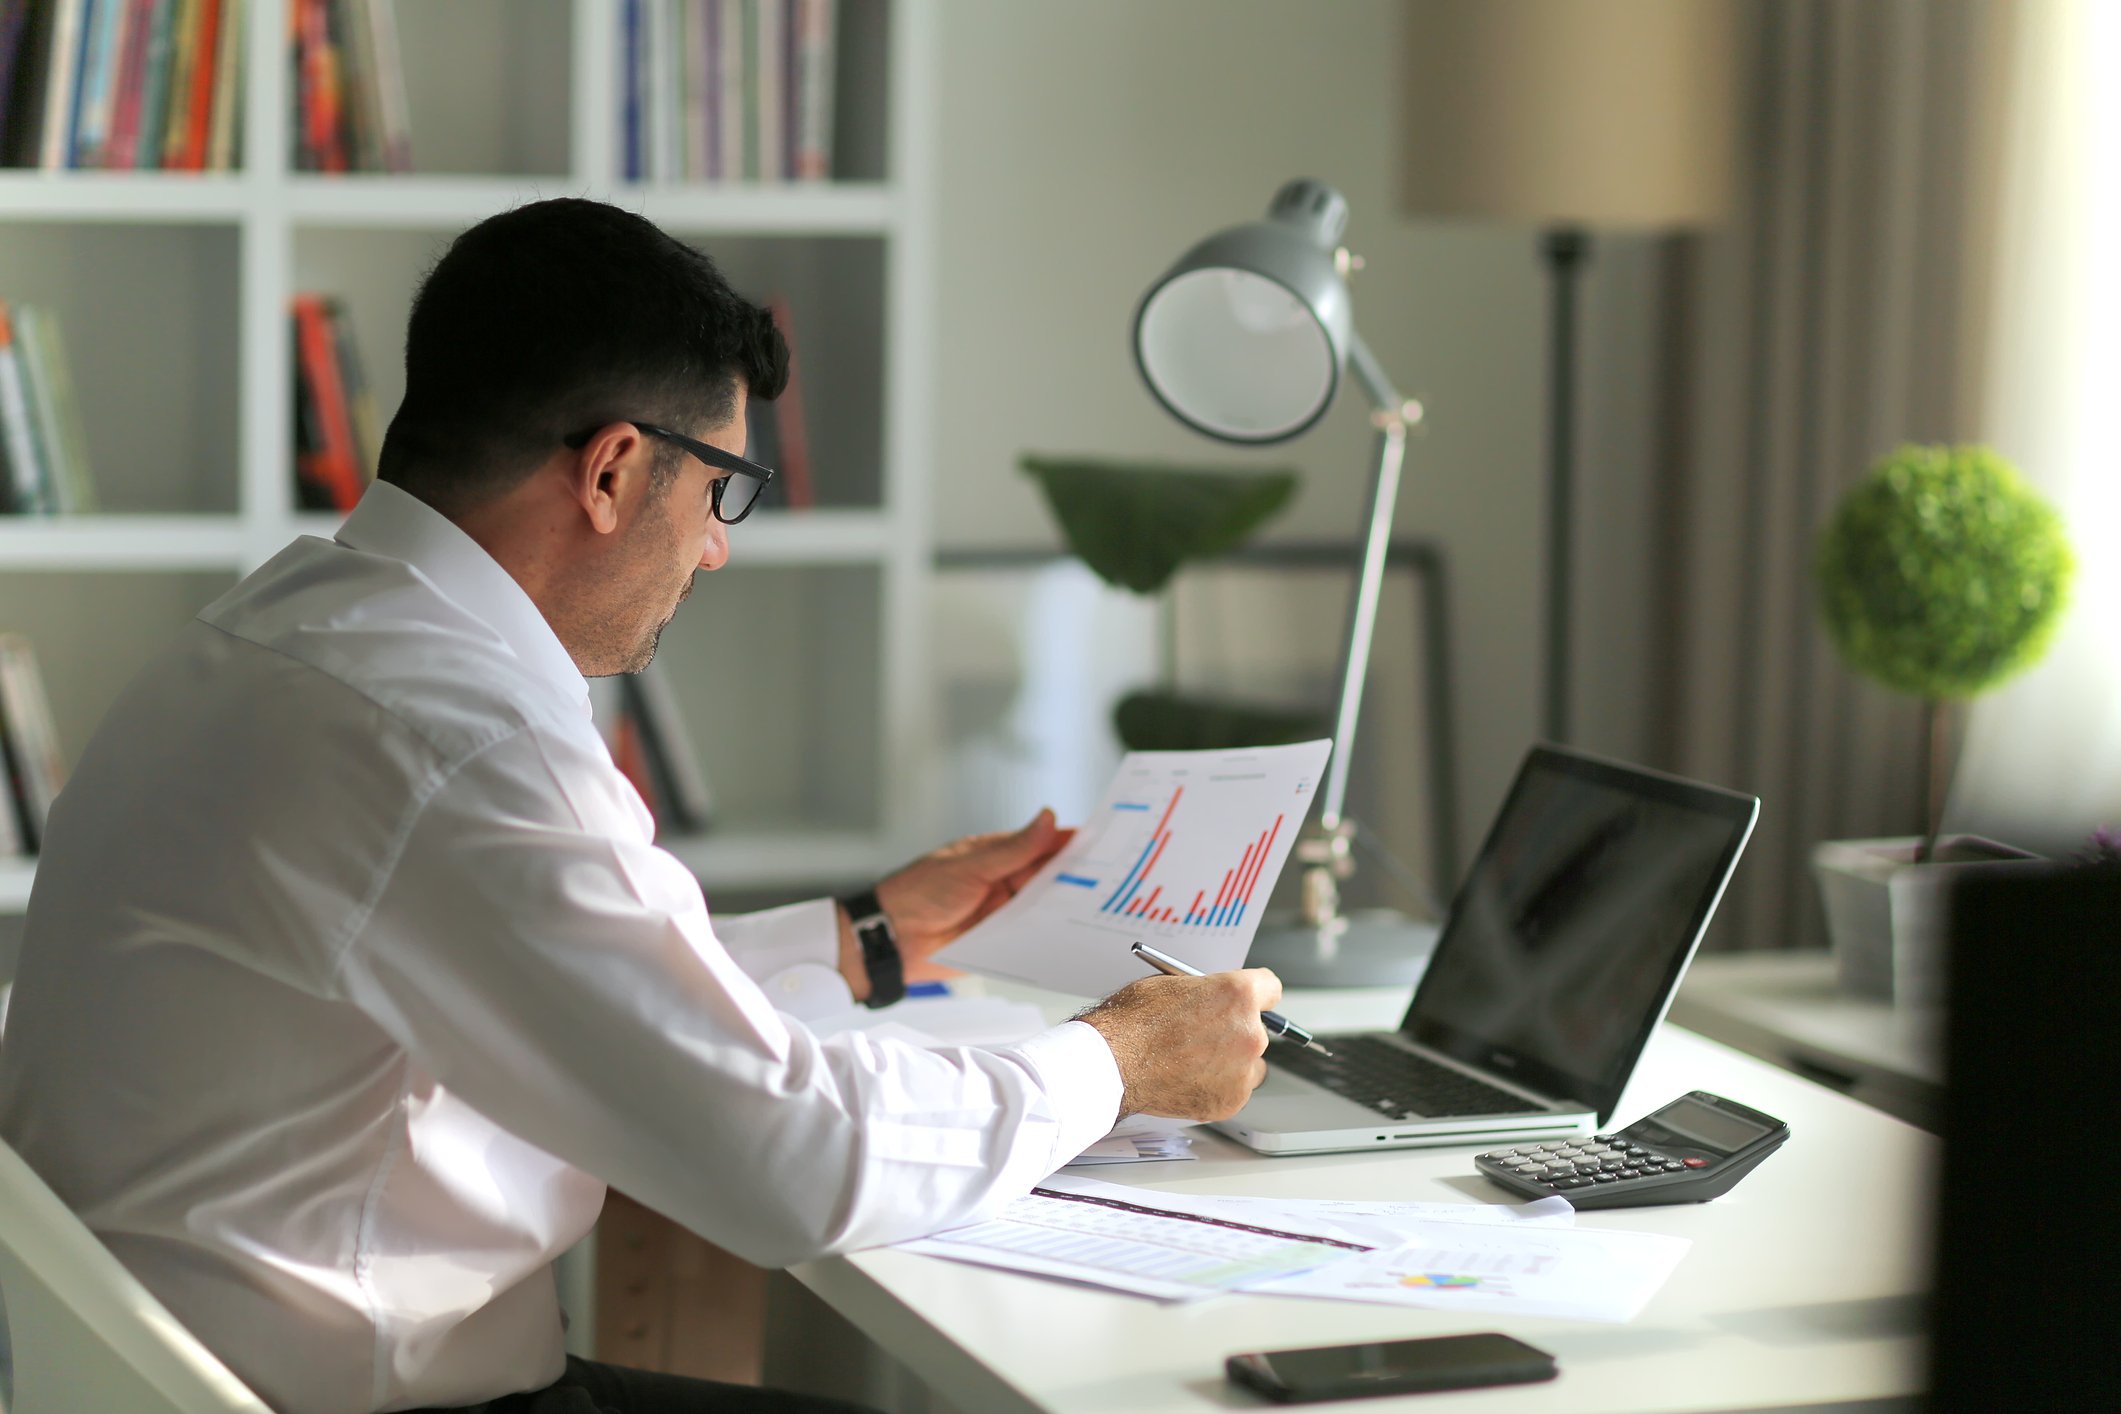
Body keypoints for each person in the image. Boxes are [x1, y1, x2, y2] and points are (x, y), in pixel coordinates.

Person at [0, 199, 1280, 1414]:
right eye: (720, 488)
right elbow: (796, 1162)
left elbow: (546, 978)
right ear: (613, 470)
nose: (717, 545)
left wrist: (864, 937)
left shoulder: (290, 635)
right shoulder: (458, 736)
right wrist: (1116, 1062)